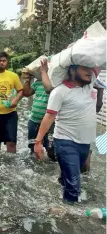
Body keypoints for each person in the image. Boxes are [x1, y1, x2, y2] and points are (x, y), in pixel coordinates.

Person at [34, 65, 102, 202]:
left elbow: (98, 59)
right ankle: (70, 217)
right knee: (74, 185)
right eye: (85, 68)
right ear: (72, 70)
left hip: (84, 143)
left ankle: (59, 196)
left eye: (90, 69)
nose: (89, 72)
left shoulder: (88, 86)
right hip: (66, 142)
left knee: (71, 177)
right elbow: (49, 117)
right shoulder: (60, 92)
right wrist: (38, 142)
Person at [0, 52, 24, 153]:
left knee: (11, 142)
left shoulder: (13, 76)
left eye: (4, 61)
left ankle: (12, 165)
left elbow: (20, 91)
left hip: (10, 114)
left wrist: (16, 100)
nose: (1, 63)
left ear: (7, 62)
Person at [22, 59, 55, 160]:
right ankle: (35, 163)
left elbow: (49, 90)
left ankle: (48, 167)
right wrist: (27, 80)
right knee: (33, 146)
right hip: (34, 120)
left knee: (51, 150)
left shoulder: (54, 83)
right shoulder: (37, 83)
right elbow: (26, 93)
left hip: (49, 122)